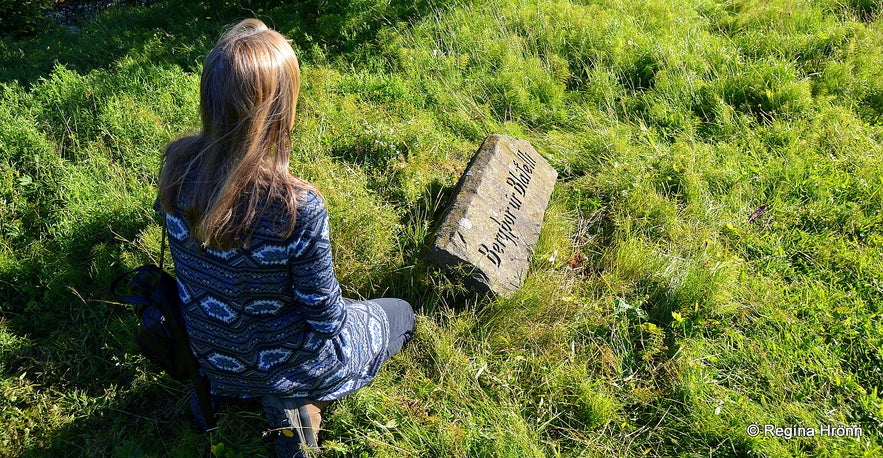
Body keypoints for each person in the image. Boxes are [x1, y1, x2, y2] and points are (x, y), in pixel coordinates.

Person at [156, 18, 415, 457]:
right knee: (400, 314)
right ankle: (294, 406)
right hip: (286, 362)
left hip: (211, 352)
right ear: (280, 109)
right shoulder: (294, 206)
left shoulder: (176, 168)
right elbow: (326, 319)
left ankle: (241, 393)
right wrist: (351, 313)